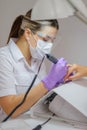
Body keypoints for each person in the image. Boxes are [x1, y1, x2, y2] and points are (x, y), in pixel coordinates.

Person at [0, 9, 68, 122]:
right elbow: (10, 109)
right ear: (28, 33)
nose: (49, 46)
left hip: (33, 122)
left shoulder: (38, 60)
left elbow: (40, 97)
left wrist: (58, 85)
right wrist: (48, 81)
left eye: (52, 41)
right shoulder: (4, 58)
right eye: (46, 39)